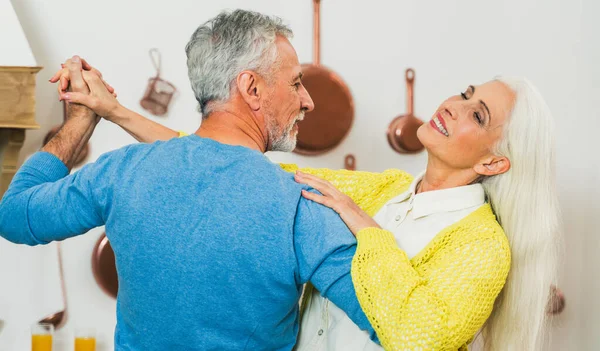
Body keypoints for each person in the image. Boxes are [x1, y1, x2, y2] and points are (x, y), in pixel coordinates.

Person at [55, 57, 560, 350]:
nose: (453, 104)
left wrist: (368, 231)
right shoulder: (385, 189)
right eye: (465, 92)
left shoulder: (482, 246)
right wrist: (112, 109)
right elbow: (226, 163)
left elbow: (421, 338)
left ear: (495, 163)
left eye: (478, 113)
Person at [0, 10, 380, 350]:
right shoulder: (301, 206)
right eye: (296, 83)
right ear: (251, 89)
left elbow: (13, 215)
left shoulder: (122, 171)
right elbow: (391, 322)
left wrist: (79, 122)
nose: (308, 101)